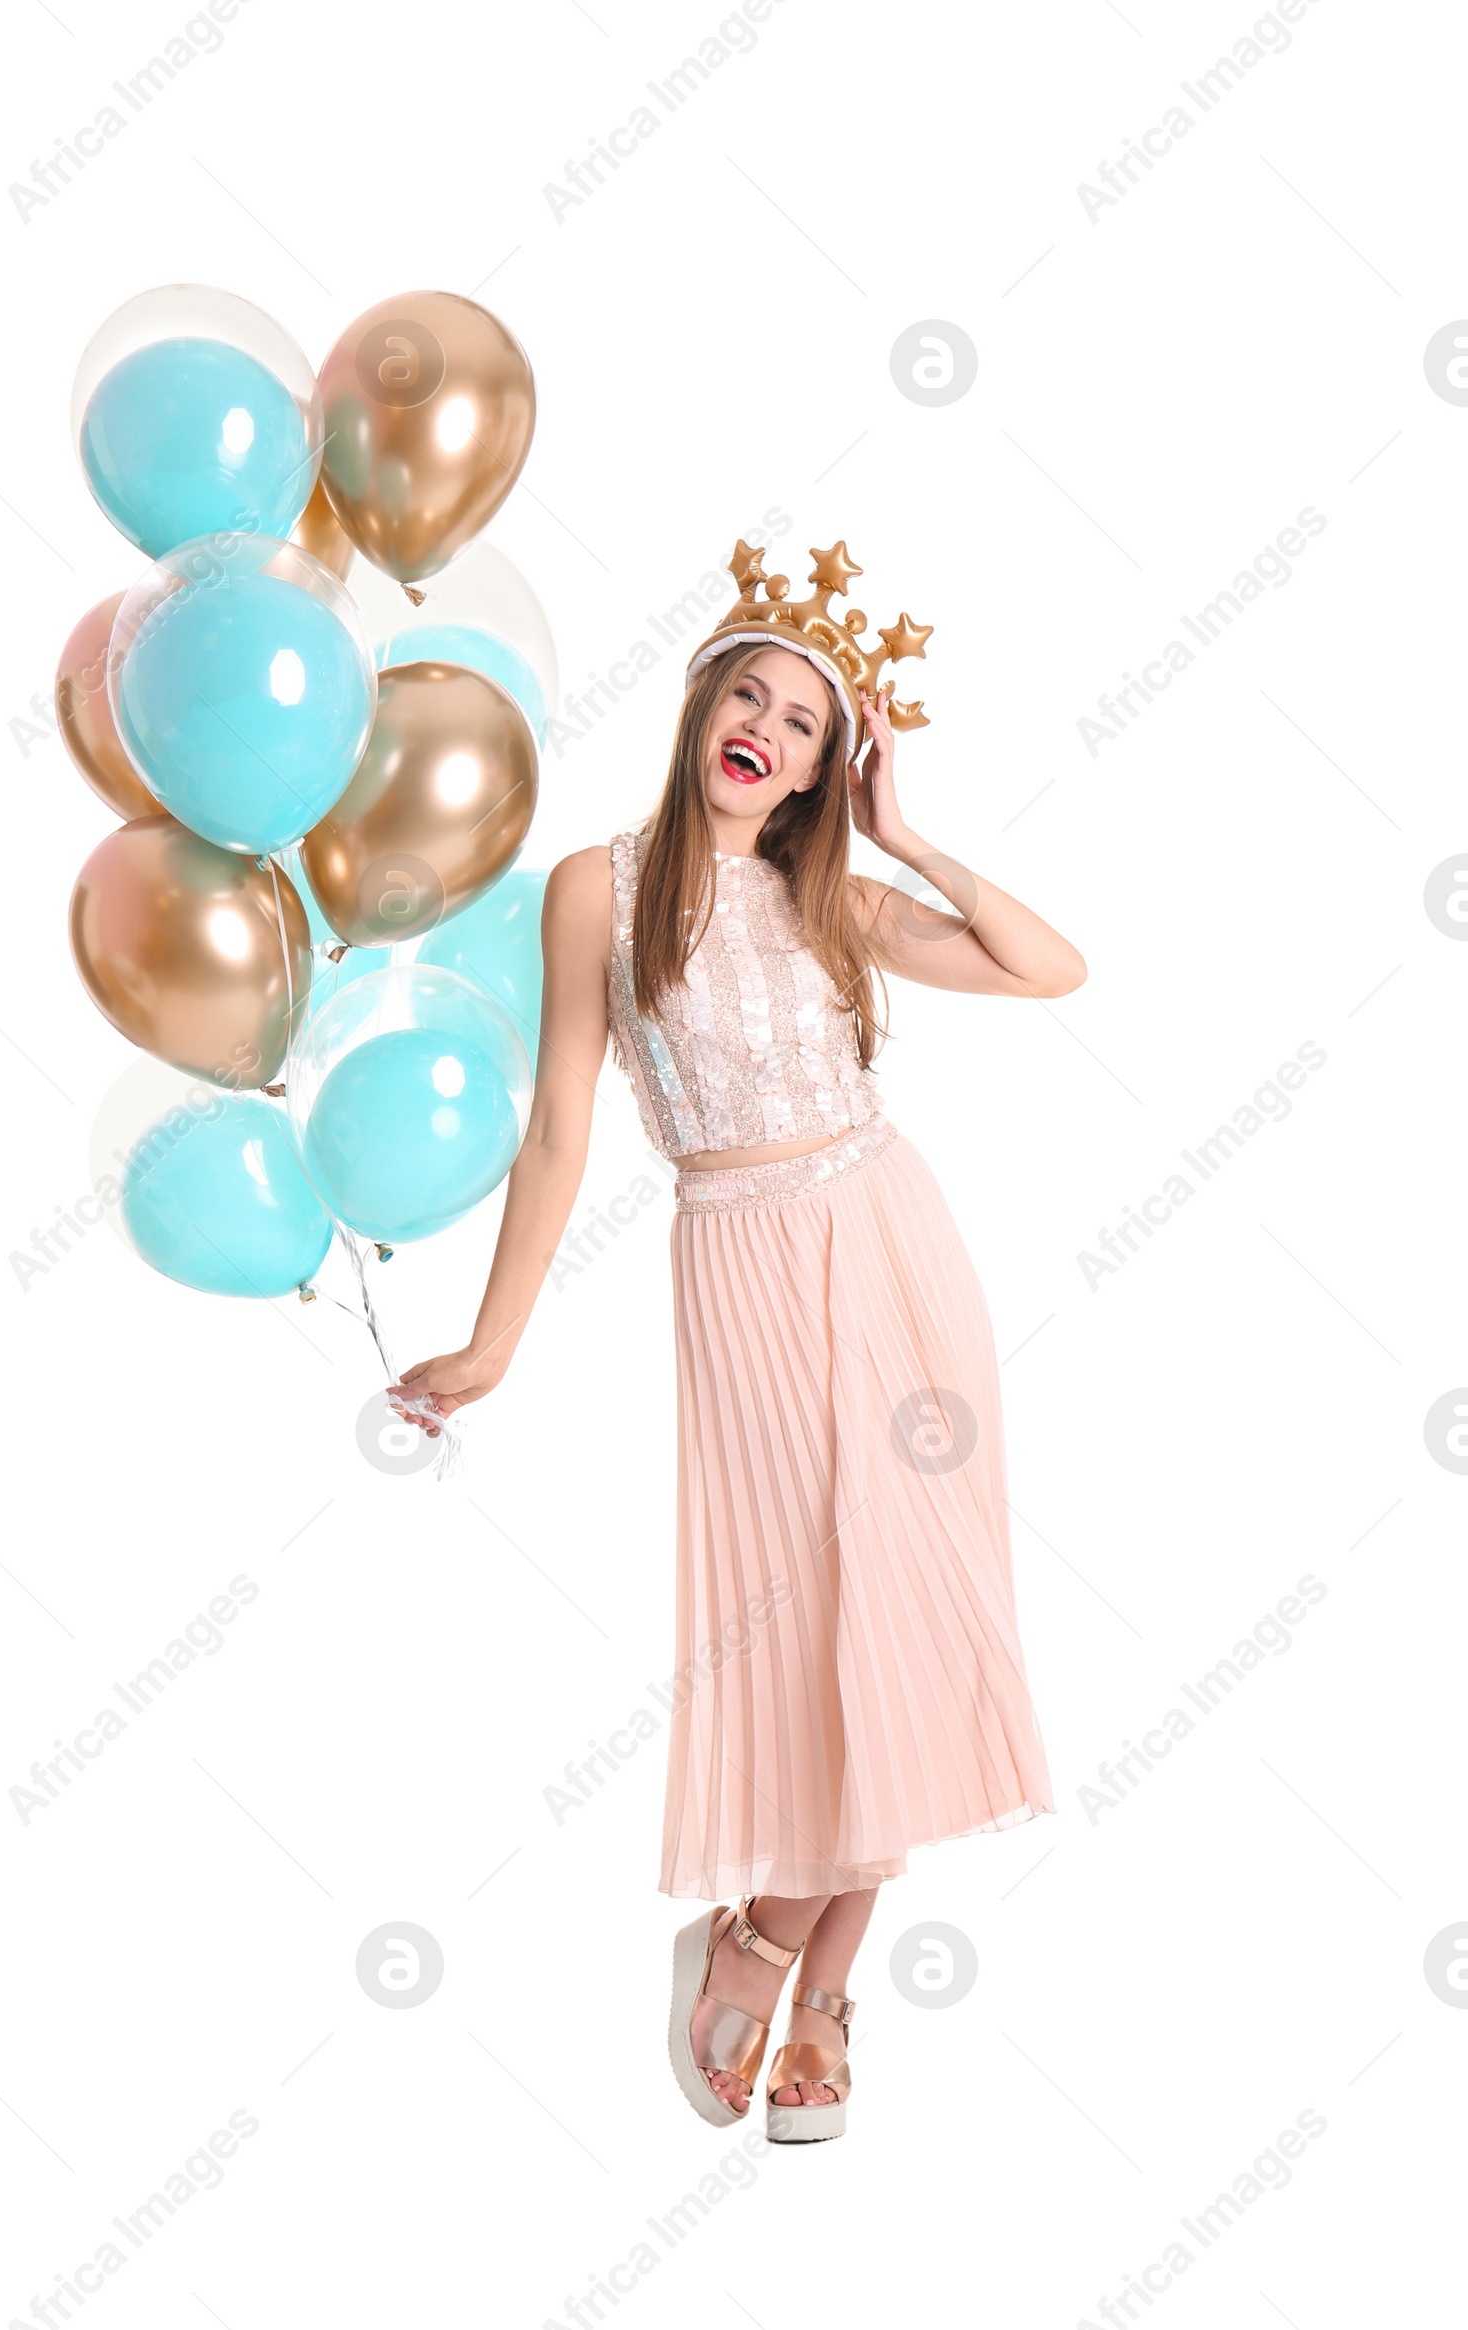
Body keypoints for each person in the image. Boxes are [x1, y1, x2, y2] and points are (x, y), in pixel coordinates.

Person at [392, 537, 1086, 2143]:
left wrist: (903, 830)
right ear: (706, 703)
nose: (767, 723)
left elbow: (1049, 966)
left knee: (913, 1607)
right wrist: (494, 1343)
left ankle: (791, 1951)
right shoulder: (598, 887)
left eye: (804, 716)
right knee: (814, 1623)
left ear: (824, 761)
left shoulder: (831, 888)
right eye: (750, 692)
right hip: (741, 1263)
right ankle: (797, 1965)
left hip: (896, 1251)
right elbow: (562, 1123)